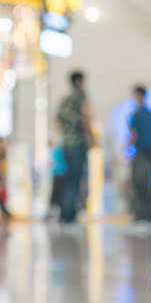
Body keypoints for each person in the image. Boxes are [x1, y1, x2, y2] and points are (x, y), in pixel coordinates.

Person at [57, 71, 93, 223]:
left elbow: (58, 122)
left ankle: (66, 213)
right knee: (76, 179)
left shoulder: (65, 100)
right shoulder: (80, 97)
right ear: (79, 81)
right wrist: (89, 133)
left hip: (66, 143)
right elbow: (86, 117)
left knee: (68, 179)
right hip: (77, 143)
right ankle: (72, 215)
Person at [129, 85, 151, 233]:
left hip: (142, 152)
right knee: (144, 184)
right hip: (148, 152)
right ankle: (145, 217)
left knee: (139, 183)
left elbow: (133, 135)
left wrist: (126, 147)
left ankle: (142, 218)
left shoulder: (138, 115)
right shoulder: (150, 114)